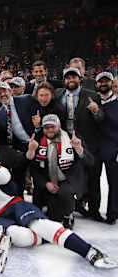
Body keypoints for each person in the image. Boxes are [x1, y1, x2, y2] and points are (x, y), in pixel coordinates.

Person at [0, 154, 117, 269]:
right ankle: (55, 233)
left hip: (10, 203)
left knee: (38, 224)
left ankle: (88, 251)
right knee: (20, 237)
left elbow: (6, 177)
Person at [54, 68, 104, 221]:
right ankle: (77, 205)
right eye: (68, 78)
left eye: (74, 77)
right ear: (64, 80)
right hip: (66, 143)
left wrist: (96, 111)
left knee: (93, 176)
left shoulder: (92, 95)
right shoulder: (58, 94)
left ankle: (94, 209)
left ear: (80, 79)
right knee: (73, 175)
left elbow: (101, 118)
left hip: (88, 142)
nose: (71, 80)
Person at [29, 114, 93, 228]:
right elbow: (34, 170)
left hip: (67, 181)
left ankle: (69, 214)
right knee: (53, 216)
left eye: (52, 127)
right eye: (46, 127)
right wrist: (46, 184)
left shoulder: (72, 139)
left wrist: (79, 149)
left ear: (59, 126)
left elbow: (90, 161)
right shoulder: (38, 142)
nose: (49, 130)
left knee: (65, 192)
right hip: (49, 182)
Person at [95, 72, 118, 224]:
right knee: (93, 182)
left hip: (113, 148)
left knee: (114, 183)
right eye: (101, 82)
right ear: (96, 84)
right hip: (94, 148)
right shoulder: (92, 100)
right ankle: (93, 210)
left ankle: (113, 213)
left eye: (107, 81)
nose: (103, 84)